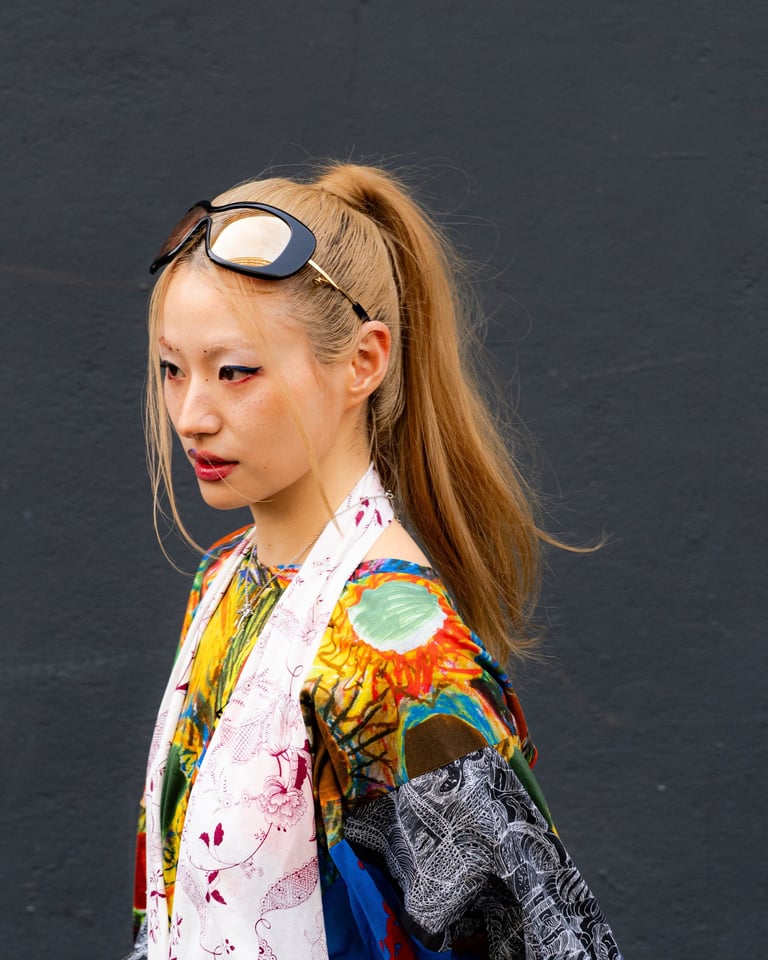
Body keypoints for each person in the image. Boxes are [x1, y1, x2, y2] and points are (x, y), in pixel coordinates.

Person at [127, 163, 623, 960]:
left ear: (363, 362)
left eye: (235, 371)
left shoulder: (394, 658)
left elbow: (543, 943)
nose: (191, 415)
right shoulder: (225, 582)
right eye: (171, 369)